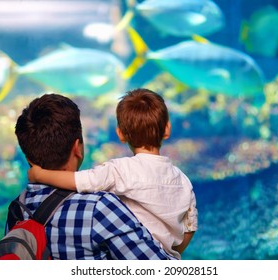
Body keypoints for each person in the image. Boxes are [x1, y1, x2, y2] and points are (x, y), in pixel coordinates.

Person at [28, 88, 198, 259]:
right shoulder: (183, 180)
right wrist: (169, 253)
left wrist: (40, 175)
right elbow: (190, 227)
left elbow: (79, 181)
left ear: (121, 134)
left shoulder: (119, 170)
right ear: (167, 129)